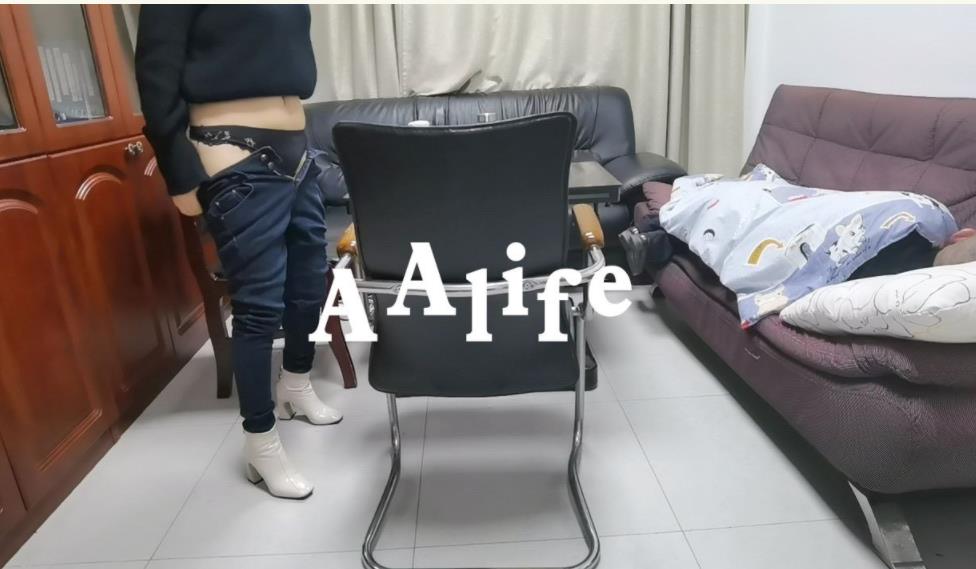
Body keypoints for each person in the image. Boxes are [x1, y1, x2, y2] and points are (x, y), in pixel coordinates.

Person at [136, 5, 340, 500]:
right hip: (231, 147)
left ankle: (295, 383)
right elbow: (155, 71)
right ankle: (260, 442)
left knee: (310, 281)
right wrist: (179, 173)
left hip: (297, 146)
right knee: (259, 305)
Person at [621, 180, 976, 278]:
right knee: (741, 216)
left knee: (746, 233)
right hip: (819, 215)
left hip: (812, 242)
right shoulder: (923, 227)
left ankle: (658, 242)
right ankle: (660, 240)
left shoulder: (914, 288)